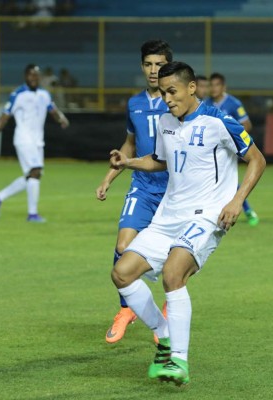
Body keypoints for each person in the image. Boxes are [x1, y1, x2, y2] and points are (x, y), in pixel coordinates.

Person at [109, 61, 266, 385]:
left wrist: (236, 200)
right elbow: (159, 160)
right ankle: (164, 335)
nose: (167, 98)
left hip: (207, 215)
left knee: (172, 273)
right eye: (163, 92)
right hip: (168, 215)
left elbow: (257, 159)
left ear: (191, 88)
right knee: (122, 273)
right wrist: (128, 162)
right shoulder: (166, 121)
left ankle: (178, 360)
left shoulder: (219, 121)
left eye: (173, 91)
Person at [96, 40, 172, 344]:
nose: (153, 71)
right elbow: (129, 143)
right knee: (123, 246)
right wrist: (109, 177)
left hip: (172, 189)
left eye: (159, 65)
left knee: (174, 256)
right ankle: (126, 309)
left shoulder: (177, 100)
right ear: (142, 67)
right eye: (148, 64)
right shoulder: (134, 103)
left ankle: (169, 306)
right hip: (142, 185)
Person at [0, 64, 69, 222]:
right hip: (23, 139)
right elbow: (4, 117)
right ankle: (32, 214)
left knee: (33, 176)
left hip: (37, 141)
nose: (34, 78)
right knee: (35, 171)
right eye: (31, 75)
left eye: (36, 75)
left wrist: (61, 119)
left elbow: (53, 110)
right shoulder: (18, 94)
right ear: (25, 76)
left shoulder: (44, 94)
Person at [204, 72, 260, 226]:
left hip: (228, 150)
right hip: (210, 150)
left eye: (216, 85)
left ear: (223, 86)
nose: (213, 88)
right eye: (211, 85)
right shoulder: (205, 103)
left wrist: (230, 139)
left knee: (227, 179)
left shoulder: (234, 103)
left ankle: (247, 210)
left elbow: (247, 124)